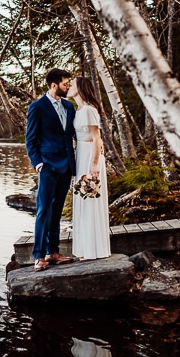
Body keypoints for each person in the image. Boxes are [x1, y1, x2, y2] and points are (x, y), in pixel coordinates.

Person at [25, 68, 76, 271]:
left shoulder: (69, 106)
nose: (68, 87)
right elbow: (31, 140)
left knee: (56, 211)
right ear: (54, 85)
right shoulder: (37, 107)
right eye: (65, 84)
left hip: (66, 166)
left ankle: (53, 252)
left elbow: (71, 135)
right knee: (43, 211)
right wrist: (38, 163)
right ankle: (38, 256)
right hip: (47, 166)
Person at [67, 76, 110, 260]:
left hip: (90, 156)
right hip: (82, 153)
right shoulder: (80, 110)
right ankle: (85, 247)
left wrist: (94, 164)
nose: (68, 86)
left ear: (81, 88)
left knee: (90, 197)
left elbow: (96, 137)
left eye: (72, 84)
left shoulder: (89, 110)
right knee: (83, 199)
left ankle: (94, 249)